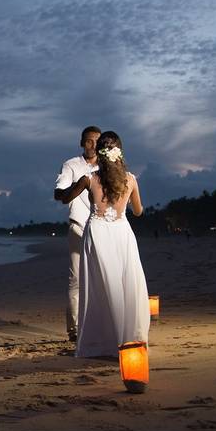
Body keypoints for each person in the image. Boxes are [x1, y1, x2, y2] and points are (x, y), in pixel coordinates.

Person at [73, 131, 150, 358]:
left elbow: (65, 197)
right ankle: (126, 338)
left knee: (99, 287)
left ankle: (102, 342)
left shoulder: (90, 178)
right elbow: (138, 212)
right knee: (125, 283)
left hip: (97, 232)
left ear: (99, 152)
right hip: (121, 233)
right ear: (120, 151)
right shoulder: (131, 179)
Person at [53, 126, 101, 342]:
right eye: (89, 141)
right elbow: (58, 194)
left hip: (102, 227)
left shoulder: (108, 167)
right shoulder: (71, 165)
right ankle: (74, 329)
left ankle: (100, 325)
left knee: (102, 278)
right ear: (82, 142)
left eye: (97, 141)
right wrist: (81, 185)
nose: (93, 145)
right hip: (79, 225)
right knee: (77, 279)